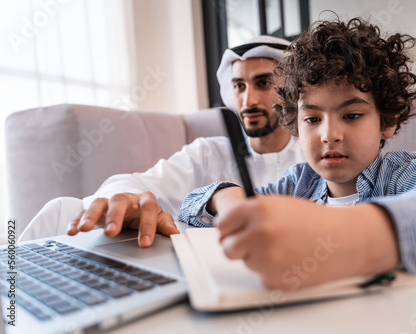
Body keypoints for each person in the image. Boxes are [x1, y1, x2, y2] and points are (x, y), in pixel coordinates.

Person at [178, 17, 416, 333]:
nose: (328, 134)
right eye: (312, 119)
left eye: (352, 115)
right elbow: (192, 204)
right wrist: (231, 202)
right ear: (295, 122)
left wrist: (362, 234)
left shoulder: (407, 175)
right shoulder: (298, 184)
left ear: (386, 120)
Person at [19, 35, 305, 246]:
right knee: (63, 210)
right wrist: (129, 199)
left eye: (264, 83)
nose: (248, 100)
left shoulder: (317, 155)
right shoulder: (207, 153)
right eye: (239, 86)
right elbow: (135, 185)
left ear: (290, 89)